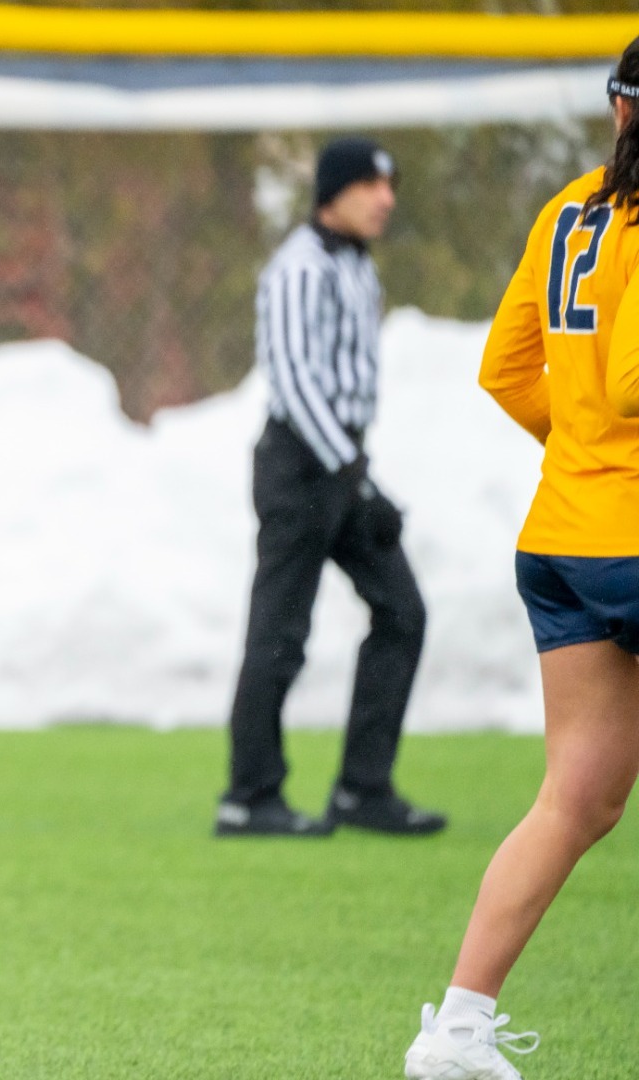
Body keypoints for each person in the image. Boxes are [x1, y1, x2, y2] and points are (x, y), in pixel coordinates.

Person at [403, 42, 639, 1080]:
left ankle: (457, 1030)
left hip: (560, 540)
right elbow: (630, 378)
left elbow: (506, 369)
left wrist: (583, 450)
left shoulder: (571, 207)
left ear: (618, 108)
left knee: (577, 799)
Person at [215, 136, 446, 838]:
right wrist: (355, 478)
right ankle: (250, 796)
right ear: (333, 192)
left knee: (402, 612)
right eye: (371, 185)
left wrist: (357, 477)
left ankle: (362, 788)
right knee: (280, 631)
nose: (386, 200)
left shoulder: (357, 268)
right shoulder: (299, 268)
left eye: (390, 186)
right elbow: (294, 382)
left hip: (344, 464)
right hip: (301, 467)